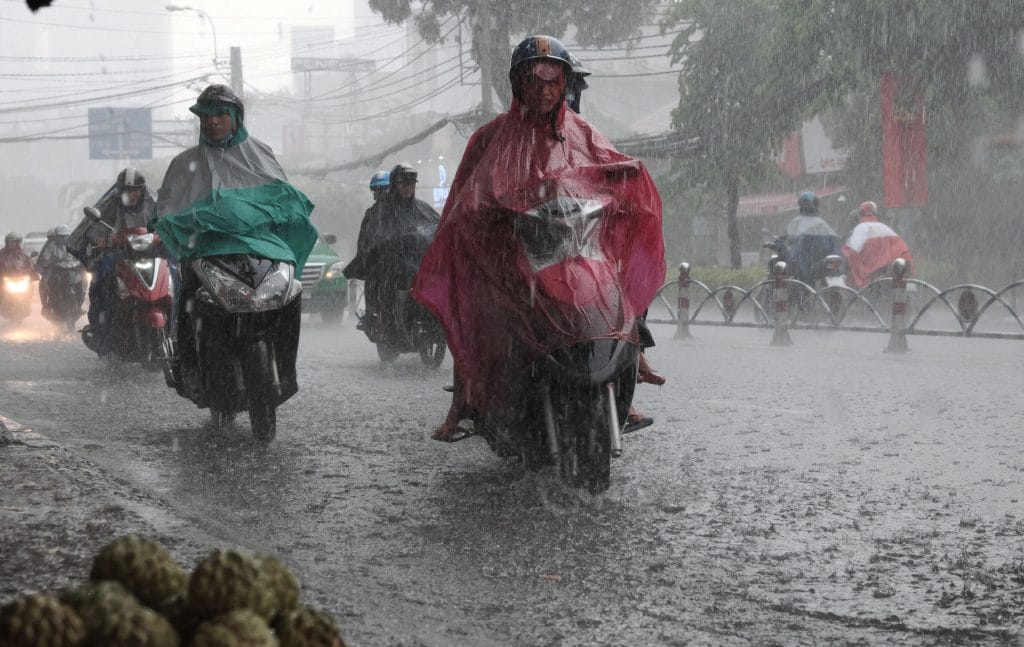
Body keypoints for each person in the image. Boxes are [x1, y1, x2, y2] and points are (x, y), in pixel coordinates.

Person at [413, 35, 665, 441]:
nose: (545, 89)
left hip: (576, 245)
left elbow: (606, 165)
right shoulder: (490, 138)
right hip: (513, 251)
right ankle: (463, 401)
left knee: (617, 292)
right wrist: (491, 215)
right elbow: (464, 201)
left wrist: (627, 174)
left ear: (564, 83)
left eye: (553, 80)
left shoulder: (583, 133)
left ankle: (628, 371)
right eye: (535, 79)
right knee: (480, 307)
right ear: (519, 84)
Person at [151, 84, 316, 386]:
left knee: (291, 293)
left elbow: (283, 196)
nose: (211, 122)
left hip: (262, 248)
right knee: (189, 296)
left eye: (219, 115)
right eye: (205, 116)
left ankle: (286, 370)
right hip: (206, 250)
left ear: (235, 118)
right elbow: (167, 206)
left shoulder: (261, 154)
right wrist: (169, 226)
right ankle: (190, 368)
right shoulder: (184, 163)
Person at [345, 164, 440, 340]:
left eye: (411, 183)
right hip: (390, 267)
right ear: (394, 186)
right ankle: (384, 322)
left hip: (419, 265)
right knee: (385, 282)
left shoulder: (422, 208)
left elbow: (438, 227)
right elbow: (370, 241)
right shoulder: (379, 211)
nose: (407, 187)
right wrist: (388, 246)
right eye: (403, 183)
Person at [71, 167, 158, 355]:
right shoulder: (111, 206)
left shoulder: (155, 205)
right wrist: (100, 240)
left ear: (142, 190)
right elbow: (94, 230)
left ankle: (179, 328)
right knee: (101, 274)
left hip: (152, 256)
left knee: (176, 275)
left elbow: (168, 223)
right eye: (127, 190)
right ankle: (99, 329)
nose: (131, 194)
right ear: (119, 191)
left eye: (135, 190)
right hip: (120, 256)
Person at [842, 200, 913, 288]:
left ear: (860, 214)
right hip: (888, 277)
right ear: (876, 213)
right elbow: (904, 252)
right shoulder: (887, 229)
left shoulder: (859, 230)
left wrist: (860, 277)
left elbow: (850, 254)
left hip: (868, 281)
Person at [783, 191, 842, 285]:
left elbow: (786, 241)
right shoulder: (823, 223)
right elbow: (835, 244)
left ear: (801, 206)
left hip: (802, 270)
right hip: (822, 267)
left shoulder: (796, 222)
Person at [34, 224, 83, 317]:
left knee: (82, 283)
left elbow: (79, 255)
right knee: (44, 283)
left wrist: (83, 261)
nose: (63, 238)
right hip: (55, 271)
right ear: (57, 237)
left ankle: (79, 305)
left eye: (65, 236)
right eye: (61, 236)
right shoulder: (51, 246)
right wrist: (47, 263)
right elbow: (45, 258)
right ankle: (45, 306)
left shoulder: (73, 245)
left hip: (71, 271)